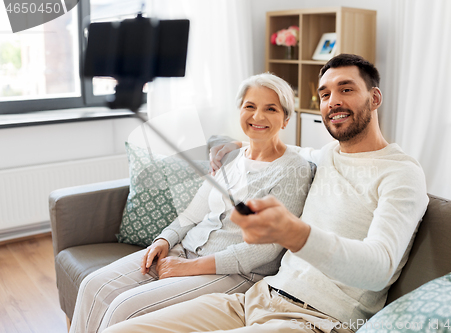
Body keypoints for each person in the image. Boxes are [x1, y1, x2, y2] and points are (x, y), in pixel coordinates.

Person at [102, 54, 429, 333]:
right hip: (255, 299)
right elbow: (285, 151)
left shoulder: (401, 174)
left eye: (346, 89)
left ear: (374, 98)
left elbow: (379, 268)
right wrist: (240, 144)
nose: (334, 102)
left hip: (315, 320)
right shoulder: (326, 156)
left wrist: (296, 233)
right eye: (325, 94)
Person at [69, 73, 313, 333]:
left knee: (124, 308)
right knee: (93, 285)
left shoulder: (293, 169)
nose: (257, 116)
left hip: (235, 273)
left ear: (286, 118)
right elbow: (192, 213)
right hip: (183, 250)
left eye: (271, 109)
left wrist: (187, 267)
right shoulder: (229, 156)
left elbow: (264, 251)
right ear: (240, 110)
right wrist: (164, 240)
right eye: (250, 106)